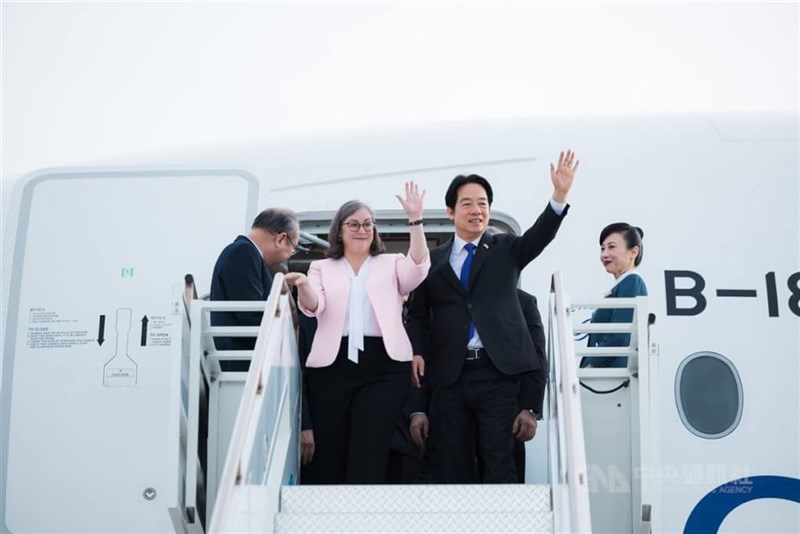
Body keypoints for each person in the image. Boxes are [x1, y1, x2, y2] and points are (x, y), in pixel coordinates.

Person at [405, 150, 578, 483]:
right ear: (451, 211)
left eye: (483, 203)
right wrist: (416, 351)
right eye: (468, 203)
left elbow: (538, 237)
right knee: (451, 463)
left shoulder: (506, 249)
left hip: (496, 374)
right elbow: (416, 317)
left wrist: (559, 196)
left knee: (498, 458)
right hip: (450, 376)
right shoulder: (434, 261)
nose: (477, 210)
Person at [285, 182, 430, 484]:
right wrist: (303, 286)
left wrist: (415, 221)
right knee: (332, 446)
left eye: (368, 224)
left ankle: (364, 514)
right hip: (331, 366)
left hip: (384, 366)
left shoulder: (391, 262)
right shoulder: (321, 267)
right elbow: (314, 307)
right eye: (354, 224)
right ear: (340, 230)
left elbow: (417, 269)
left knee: (372, 441)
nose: (362, 230)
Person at [409, 288, 548, 484]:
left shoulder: (522, 301)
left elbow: (537, 357)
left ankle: (504, 515)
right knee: (450, 470)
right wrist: (418, 409)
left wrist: (530, 408)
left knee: (500, 467)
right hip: (449, 394)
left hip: (503, 397)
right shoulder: (442, 301)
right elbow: (426, 354)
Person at [209, 208, 299, 362]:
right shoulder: (243, 252)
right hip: (242, 358)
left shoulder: (243, 252)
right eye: (291, 250)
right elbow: (251, 314)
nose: (287, 257)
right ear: (281, 239)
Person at [581, 222, 647, 368]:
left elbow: (620, 335)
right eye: (602, 248)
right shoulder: (622, 285)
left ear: (633, 252)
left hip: (612, 376)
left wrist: (592, 366)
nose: (604, 254)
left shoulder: (632, 282)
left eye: (611, 247)